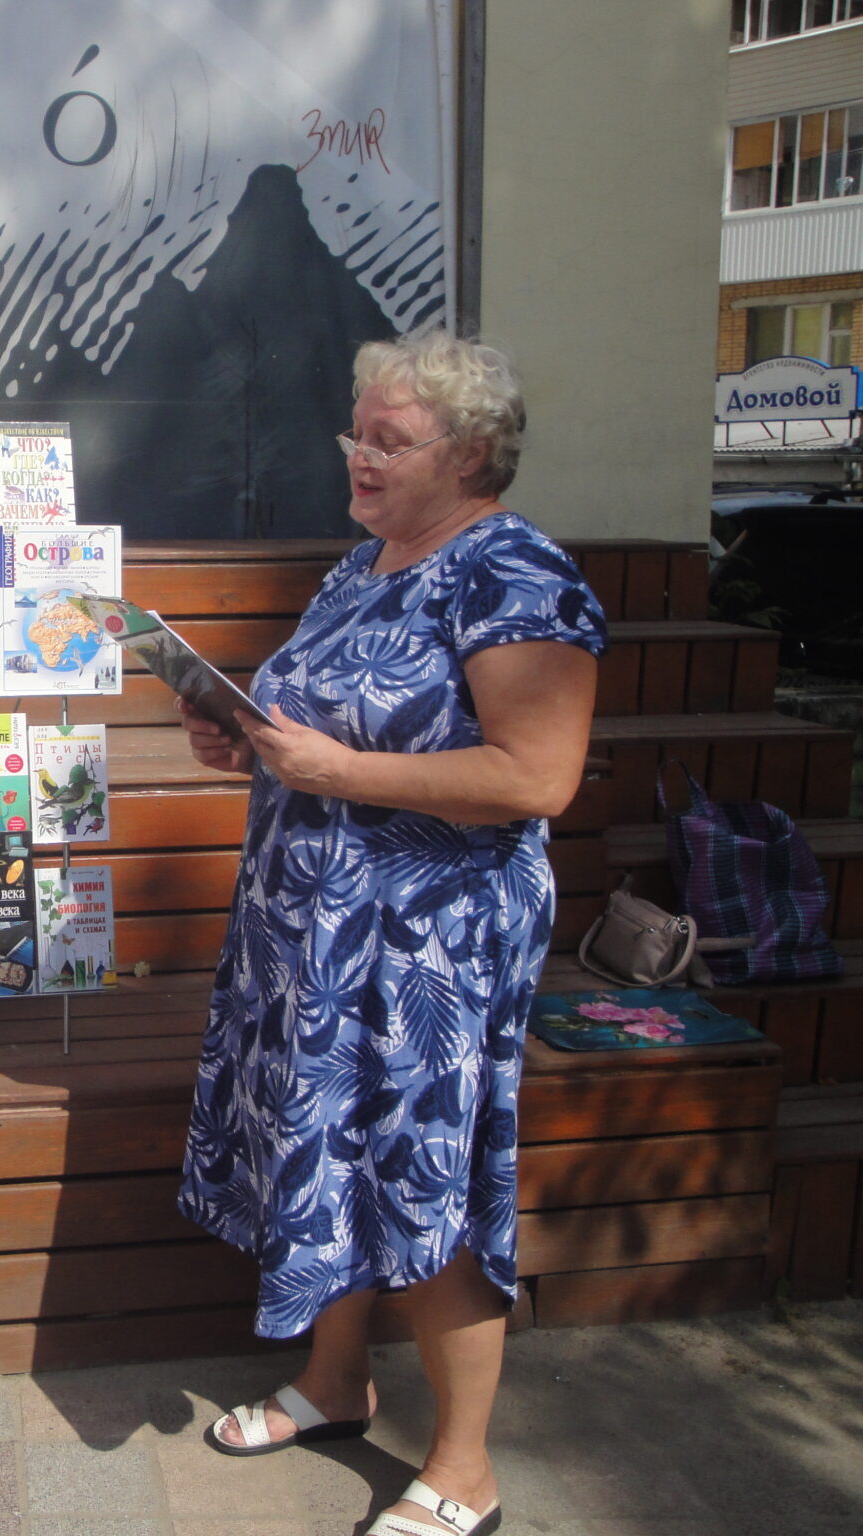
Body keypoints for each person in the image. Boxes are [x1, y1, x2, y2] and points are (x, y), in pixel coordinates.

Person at [176, 328, 605, 1536]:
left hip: (427, 950)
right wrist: (243, 739)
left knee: (421, 1180)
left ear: (467, 453)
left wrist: (339, 771)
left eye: (389, 440)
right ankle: (333, 1384)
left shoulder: (515, 574)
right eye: (352, 434)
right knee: (328, 1154)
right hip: (312, 939)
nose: (357, 457)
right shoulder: (362, 564)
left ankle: (462, 1468)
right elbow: (324, 727)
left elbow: (535, 777)